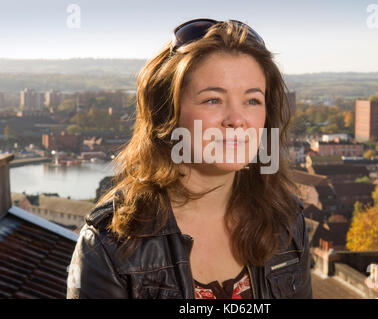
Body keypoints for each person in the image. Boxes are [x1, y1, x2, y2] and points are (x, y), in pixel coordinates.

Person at [67, 18, 312, 299]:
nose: (236, 120)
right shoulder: (110, 245)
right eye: (212, 100)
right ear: (167, 114)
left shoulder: (286, 222)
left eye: (252, 100)